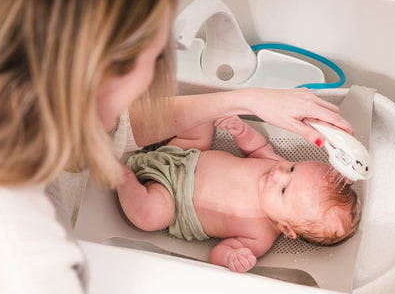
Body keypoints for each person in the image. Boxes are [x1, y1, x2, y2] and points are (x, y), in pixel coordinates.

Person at [0, 0, 353, 294]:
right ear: (102, 74)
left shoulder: (36, 107)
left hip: (170, 195)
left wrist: (247, 99)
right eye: (156, 59)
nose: (160, 76)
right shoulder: (27, 277)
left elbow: (123, 124)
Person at [118, 116, 360, 273]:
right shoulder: (274, 163)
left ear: (286, 228)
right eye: (292, 168)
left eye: (284, 190)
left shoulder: (259, 238)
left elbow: (218, 252)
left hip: (172, 198)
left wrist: (231, 257)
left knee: (150, 215)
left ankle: (120, 176)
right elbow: (256, 147)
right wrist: (241, 130)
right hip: (186, 153)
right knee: (202, 119)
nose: (278, 175)